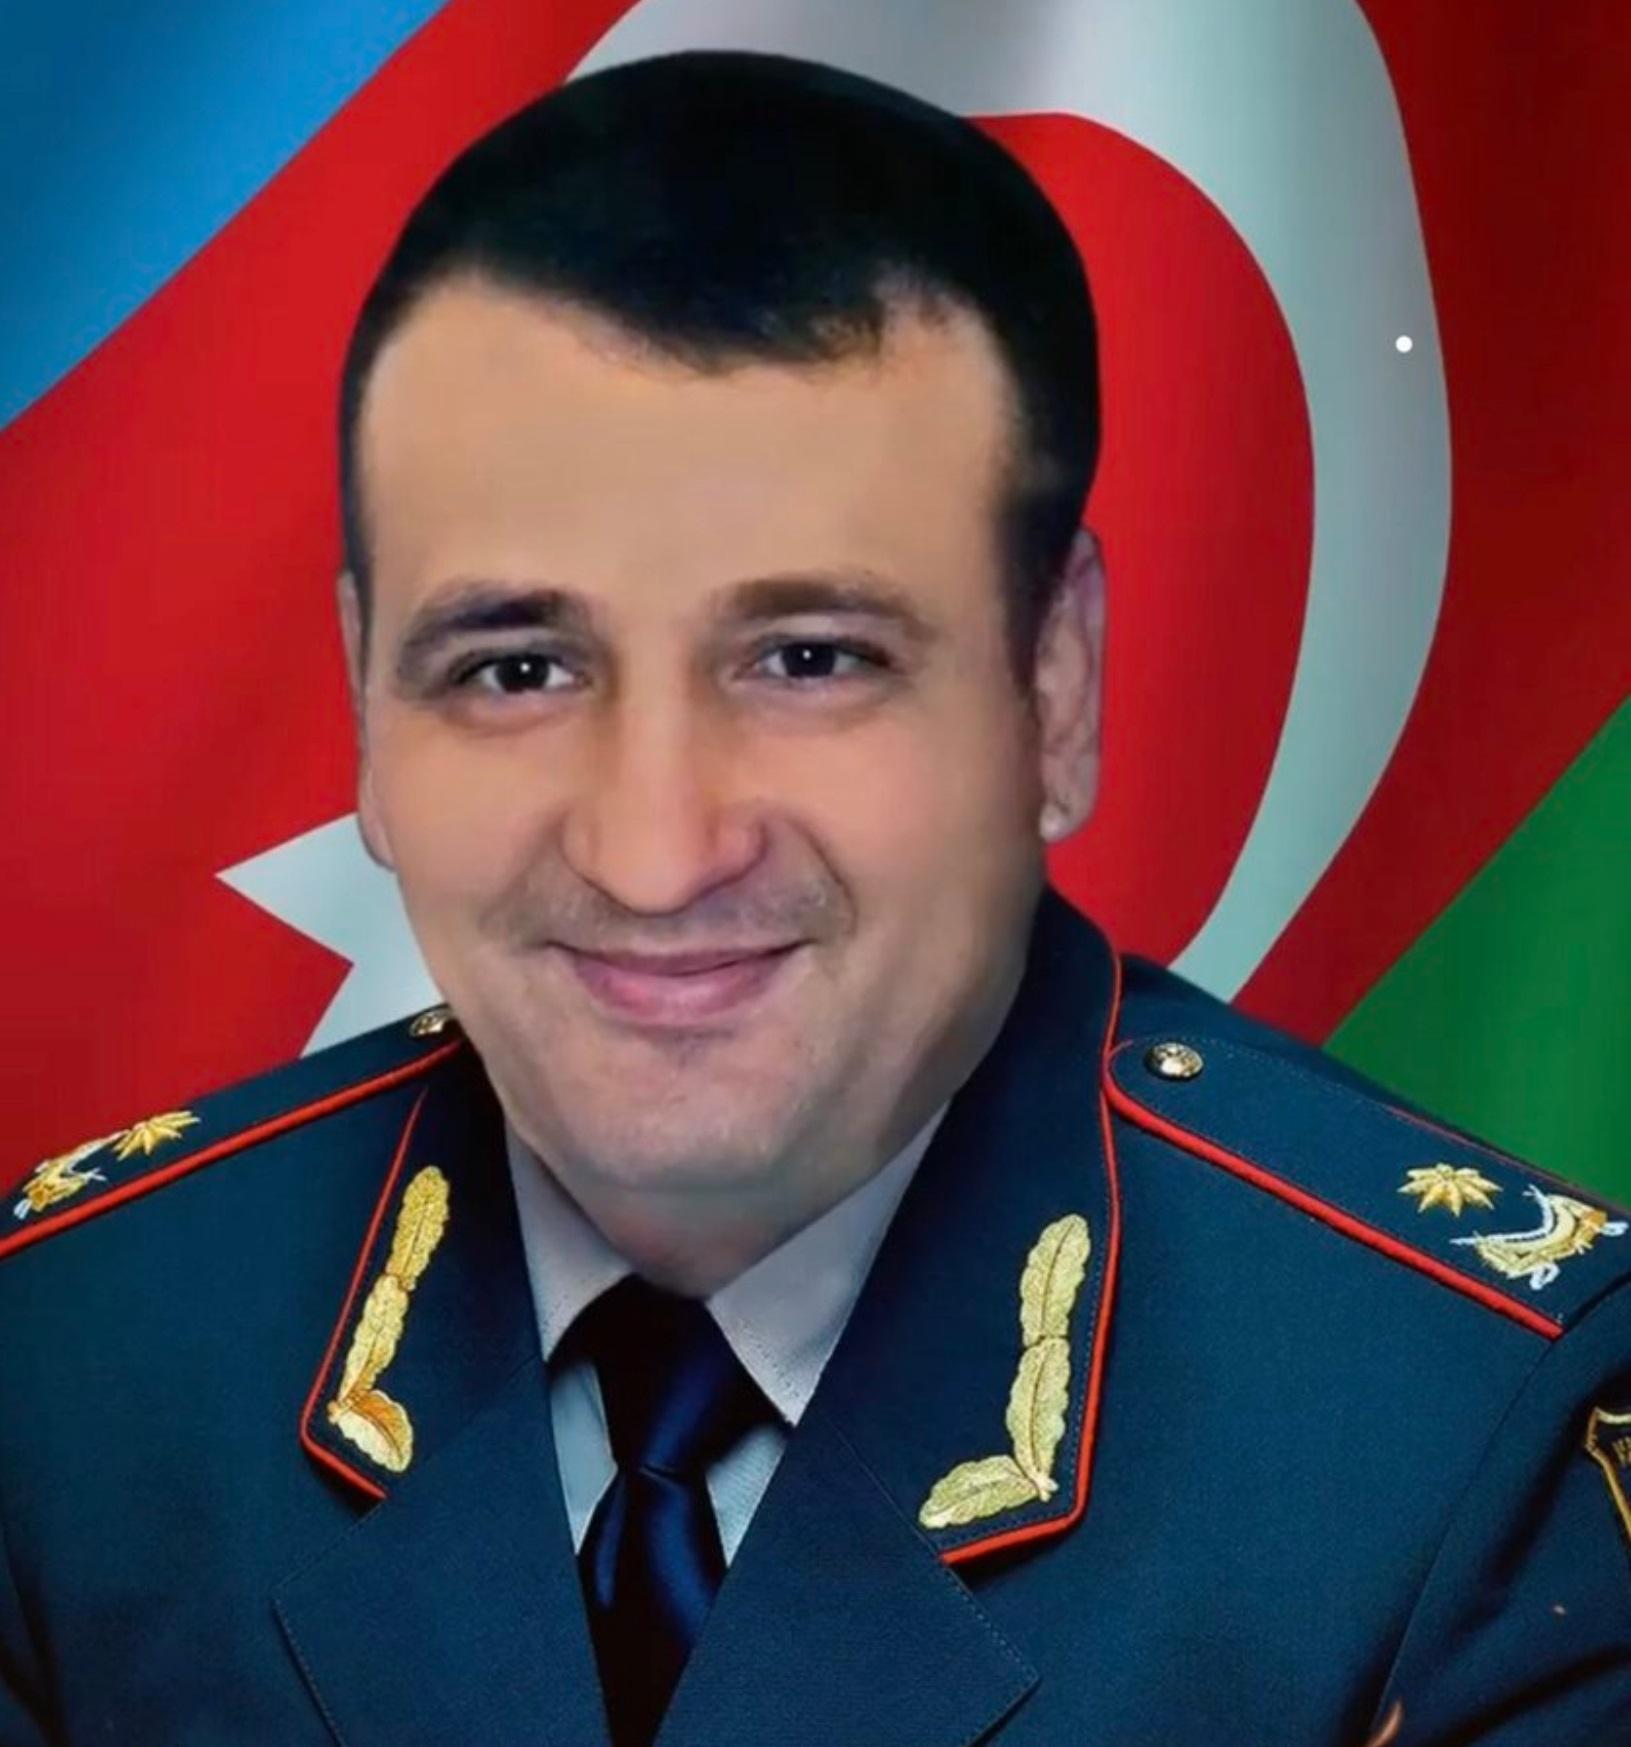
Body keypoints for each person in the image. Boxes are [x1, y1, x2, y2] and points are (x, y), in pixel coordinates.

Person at [1, 47, 1627, 1747]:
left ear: (1055, 689)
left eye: (807, 659)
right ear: (363, 706)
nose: (653, 853)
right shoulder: (72, 1364)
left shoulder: (1465, 1454)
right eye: (515, 668)